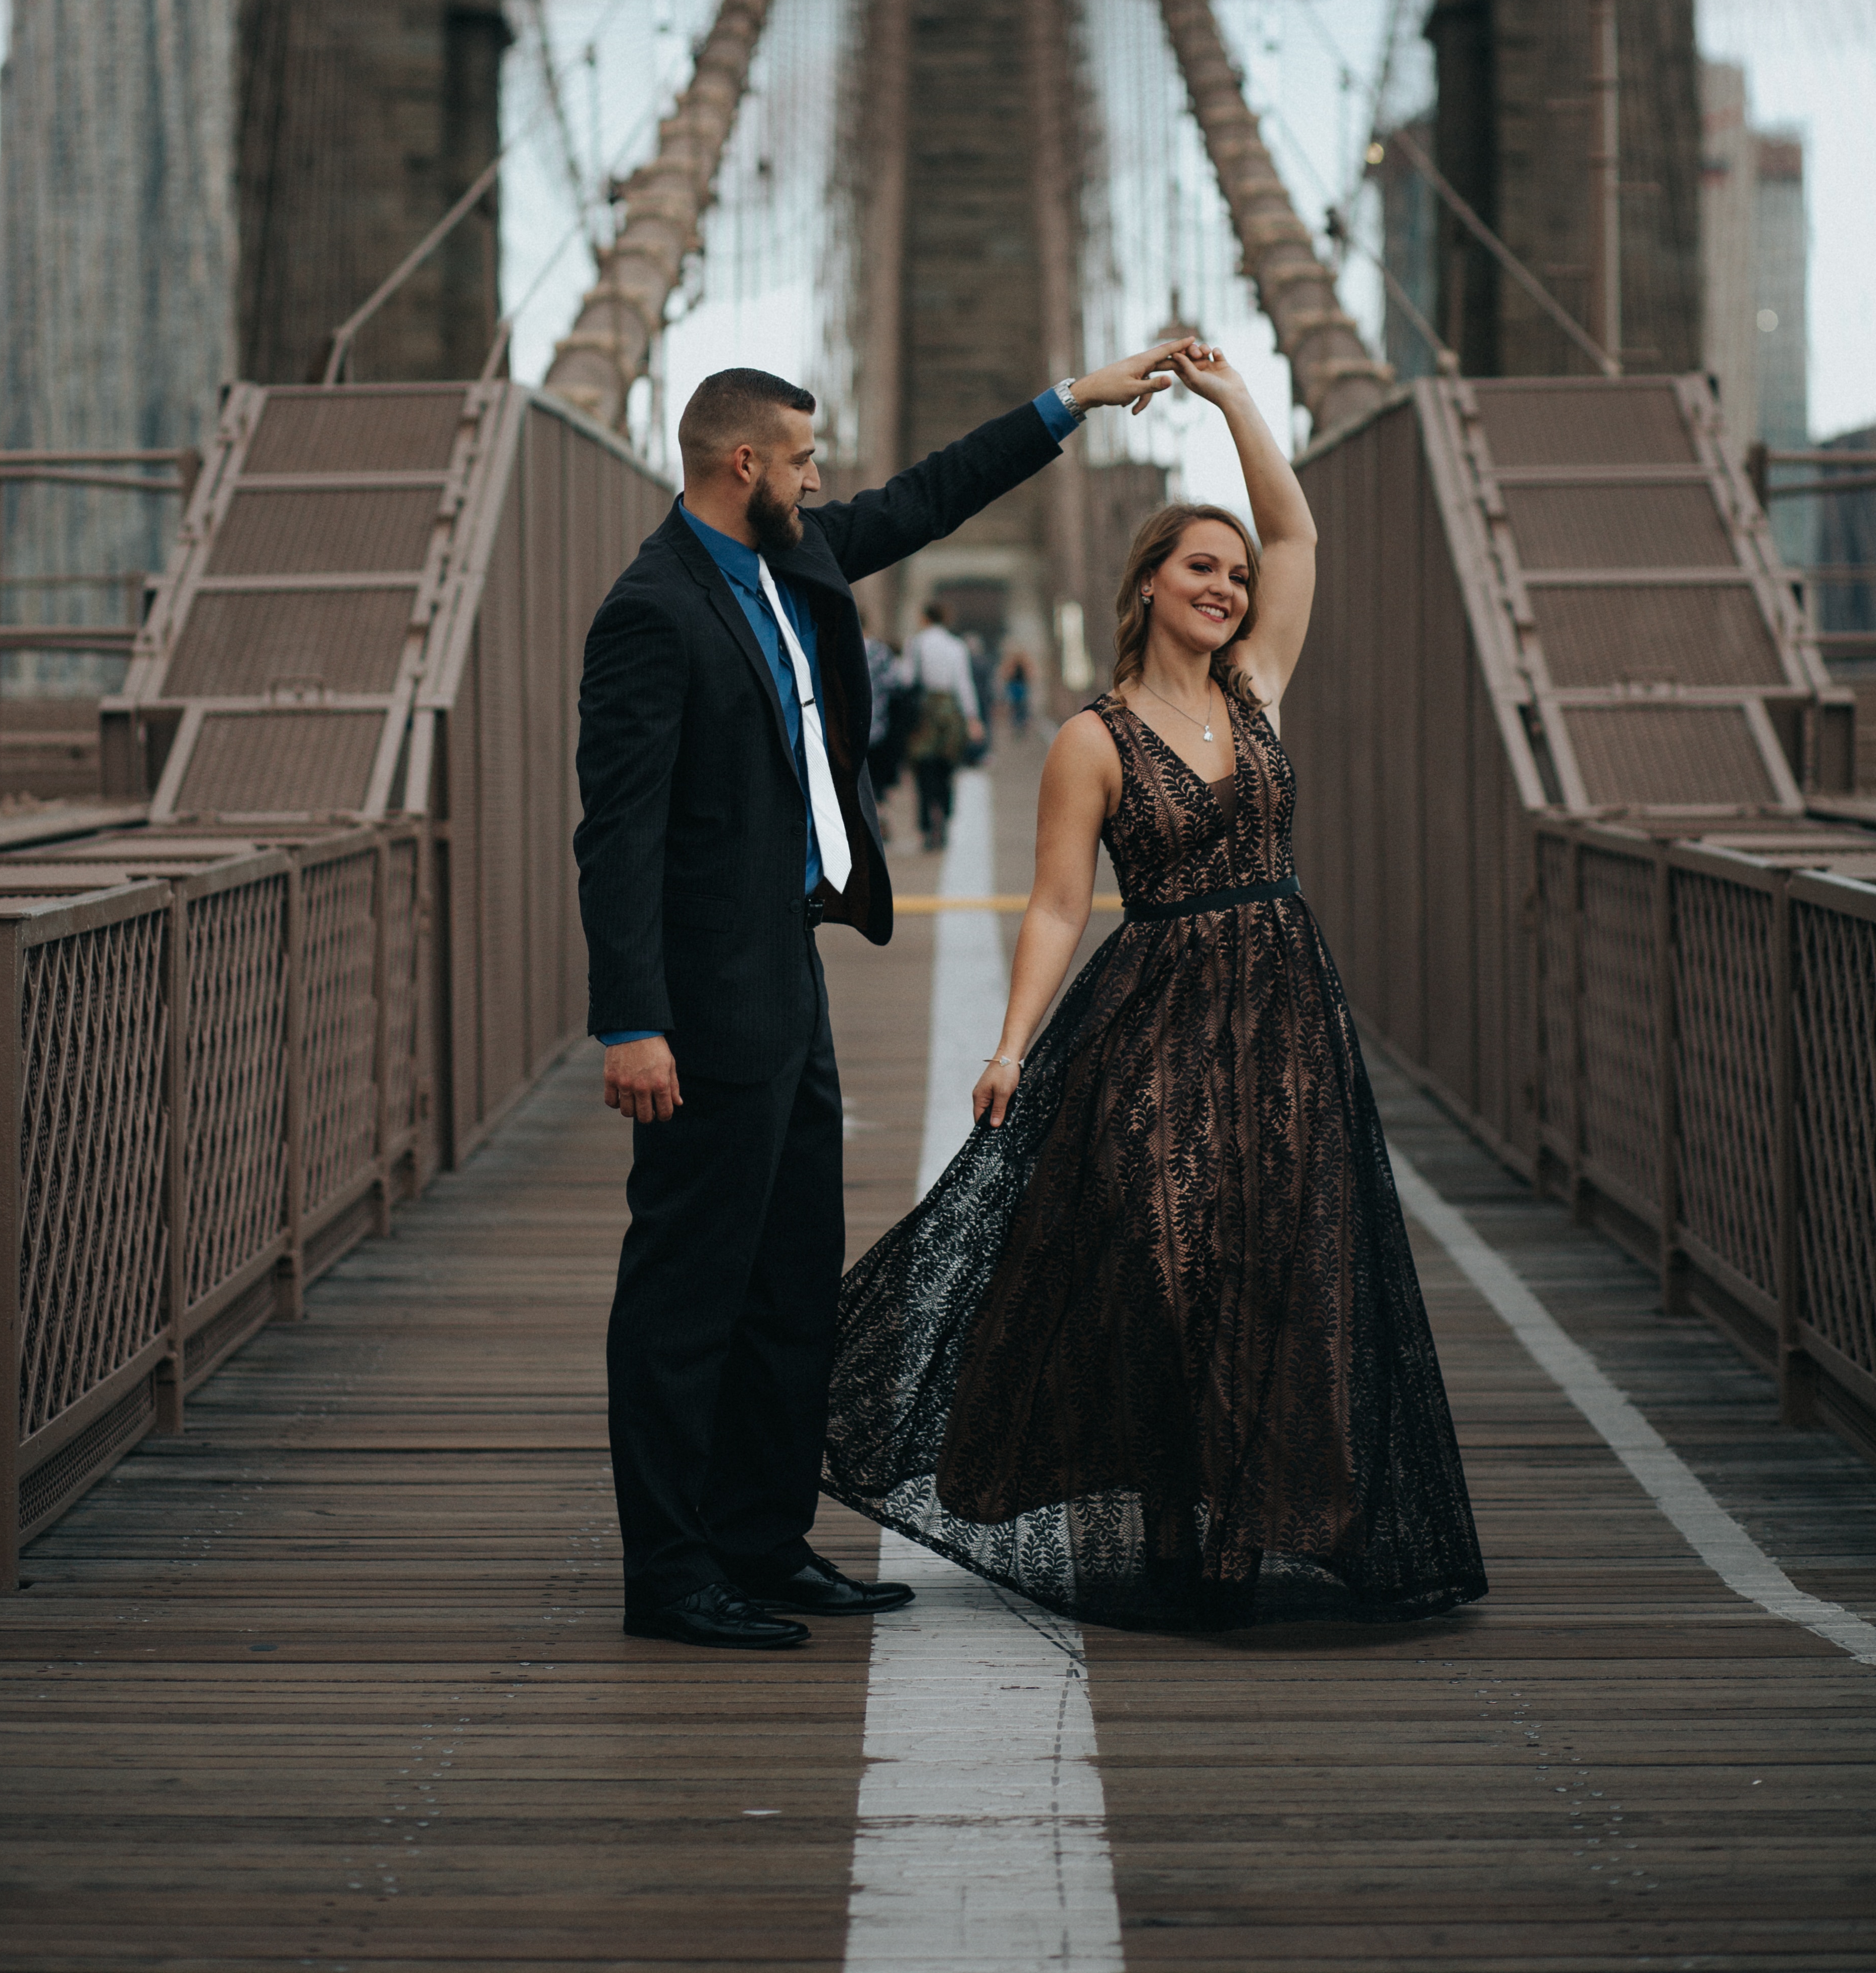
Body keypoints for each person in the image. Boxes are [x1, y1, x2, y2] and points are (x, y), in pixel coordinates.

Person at [825, 341, 1489, 1634]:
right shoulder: (1090, 738)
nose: (1229, 587)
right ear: (1147, 582)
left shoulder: (1256, 692)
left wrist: (1235, 400)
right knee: (1178, 1275)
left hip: (1289, 1020)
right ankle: (1181, 1526)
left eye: (1234, 576)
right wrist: (1013, 1045)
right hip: (1160, 1025)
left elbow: (1294, 536)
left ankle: (1255, 1528)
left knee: (1285, 1273)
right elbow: (1063, 903)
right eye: (1201, 566)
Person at [576, 345, 1188, 1650]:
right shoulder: (653, 611)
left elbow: (926, 499)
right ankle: (671, 1574)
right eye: (803, 460)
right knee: (692, 1286)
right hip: (699, 998)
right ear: (745, 466)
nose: (822, 477)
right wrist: (631, 1020)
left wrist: (1072, 402)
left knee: (792, 1277)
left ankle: (761, 1539)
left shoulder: (792, 560)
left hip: (787, 976)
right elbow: (615, 835)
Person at [901, 601, 980, 851]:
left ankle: (926, 828)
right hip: (949, 714)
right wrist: (973, 719)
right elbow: (964, 684)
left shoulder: (916, 644)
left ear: (925, 618)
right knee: (946, 769)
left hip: (924, 713)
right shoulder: (956, 646)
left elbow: (906, 678)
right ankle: (944, 820)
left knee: (924, 771)